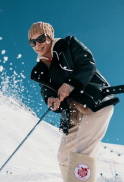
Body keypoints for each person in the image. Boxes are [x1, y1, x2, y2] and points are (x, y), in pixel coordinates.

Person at [28, 22, 120, 182]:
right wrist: (51, 100)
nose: (37, 45)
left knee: (81, 153)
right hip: (72, 115)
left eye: (41, 39)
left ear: (49, 36)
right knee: (64, 157)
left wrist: (69, 84)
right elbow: (46, 91)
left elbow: (87, 63)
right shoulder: (41, 71)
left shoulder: (68, 45)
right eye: (32, 42)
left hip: (94, 103)